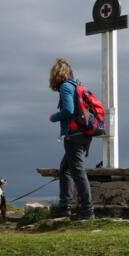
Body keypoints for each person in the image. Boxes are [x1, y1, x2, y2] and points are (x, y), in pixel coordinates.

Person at [48, 58, 94, 220]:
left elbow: (68, 109)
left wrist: (54, 117)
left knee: (77, 171)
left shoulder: (65, 87)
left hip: (74, 135)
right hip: (83, 134)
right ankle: (65, 207)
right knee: (66, 170)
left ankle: (87, 210)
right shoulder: (77, 86)